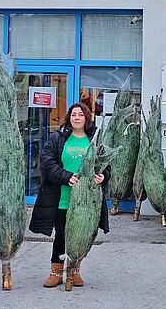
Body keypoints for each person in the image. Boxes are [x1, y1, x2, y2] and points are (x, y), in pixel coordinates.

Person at [28, 102, 110, 288]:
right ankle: (56, 273)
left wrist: (102, 176)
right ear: (69, 117)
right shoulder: (58, 137)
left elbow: (106, 166)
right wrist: (66, 177)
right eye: (73, 115)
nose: (77, 118)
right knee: (62, 236)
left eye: (80, 115)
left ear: (87, 118)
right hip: (63, 198)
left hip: (86, 201)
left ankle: (74, 271)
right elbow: (47, 162)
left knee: (80, 236)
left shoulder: (95, 139)